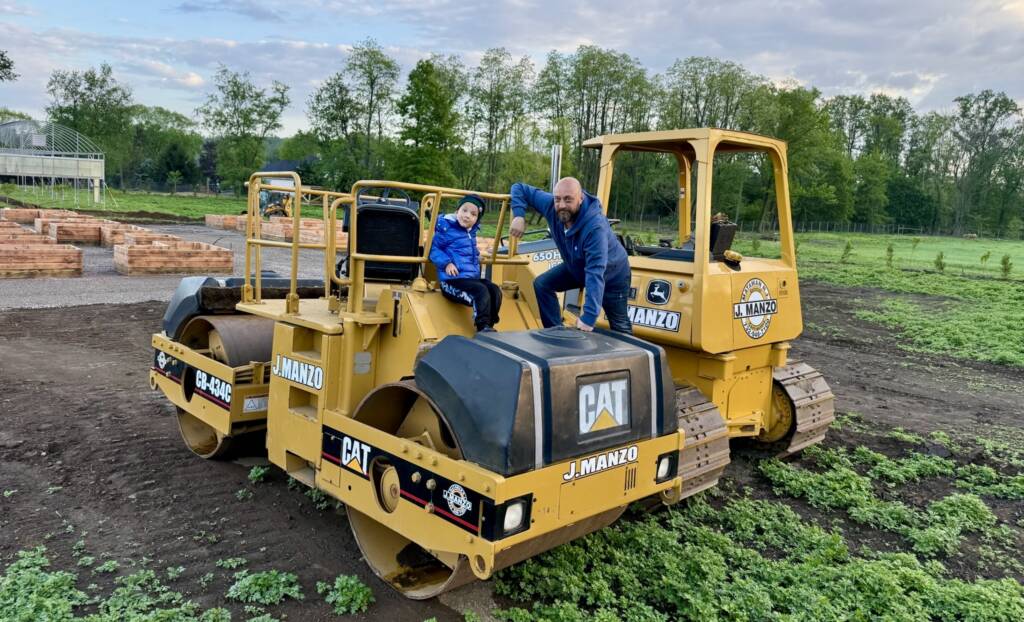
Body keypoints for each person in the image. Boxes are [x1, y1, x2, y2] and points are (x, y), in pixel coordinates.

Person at [509, 177, 631, 334]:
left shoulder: (594, 227)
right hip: (577, 266)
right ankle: (557, 334)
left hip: (612, 274)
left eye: (568, 200)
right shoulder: (551, 206)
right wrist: (519, 215)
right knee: (542, 284)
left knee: (620, 326)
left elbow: (595, 272)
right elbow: (519, 187)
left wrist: (588, 317)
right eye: (557, 199)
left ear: (580, 199)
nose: (561, 205)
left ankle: (639, 356)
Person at [429, 194, 502, 332]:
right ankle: (482, 326)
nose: (467, 216)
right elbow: (433, 248)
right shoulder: (446, 229)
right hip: (451, 281)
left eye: (473, 214)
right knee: (480, 291)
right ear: (457, 211)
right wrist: (447, 263)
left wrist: (477, 257)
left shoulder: (470, 233)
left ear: (476, 220)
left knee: (494, 289)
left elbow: (467, 251)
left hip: (469, 279)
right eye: (464, 210)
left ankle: (489, 325)